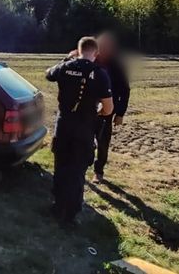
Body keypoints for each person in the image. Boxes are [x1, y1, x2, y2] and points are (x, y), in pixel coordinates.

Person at [46, 36, 114, 227]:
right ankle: (70, 214)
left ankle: (57, 206)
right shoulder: (99, 73)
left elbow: (48, 74)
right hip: (84, 127)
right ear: (96, 52)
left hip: (64, 124)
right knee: (77, 171)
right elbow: (108, 109)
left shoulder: (65, 66)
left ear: (78, 49)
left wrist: (67, 60)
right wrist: (95, 113)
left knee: (60, 166)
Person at [93, 32, 131, 183]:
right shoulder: (91, 60)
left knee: (103, 143)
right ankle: (83, 166)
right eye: (101, 45)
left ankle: (98, 171)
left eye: (108, 46)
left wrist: (120, 113)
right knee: (85, 140)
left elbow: (125, 89)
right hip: (88, 110)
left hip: (107, 111)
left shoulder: (116, 65)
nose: (104, 49)